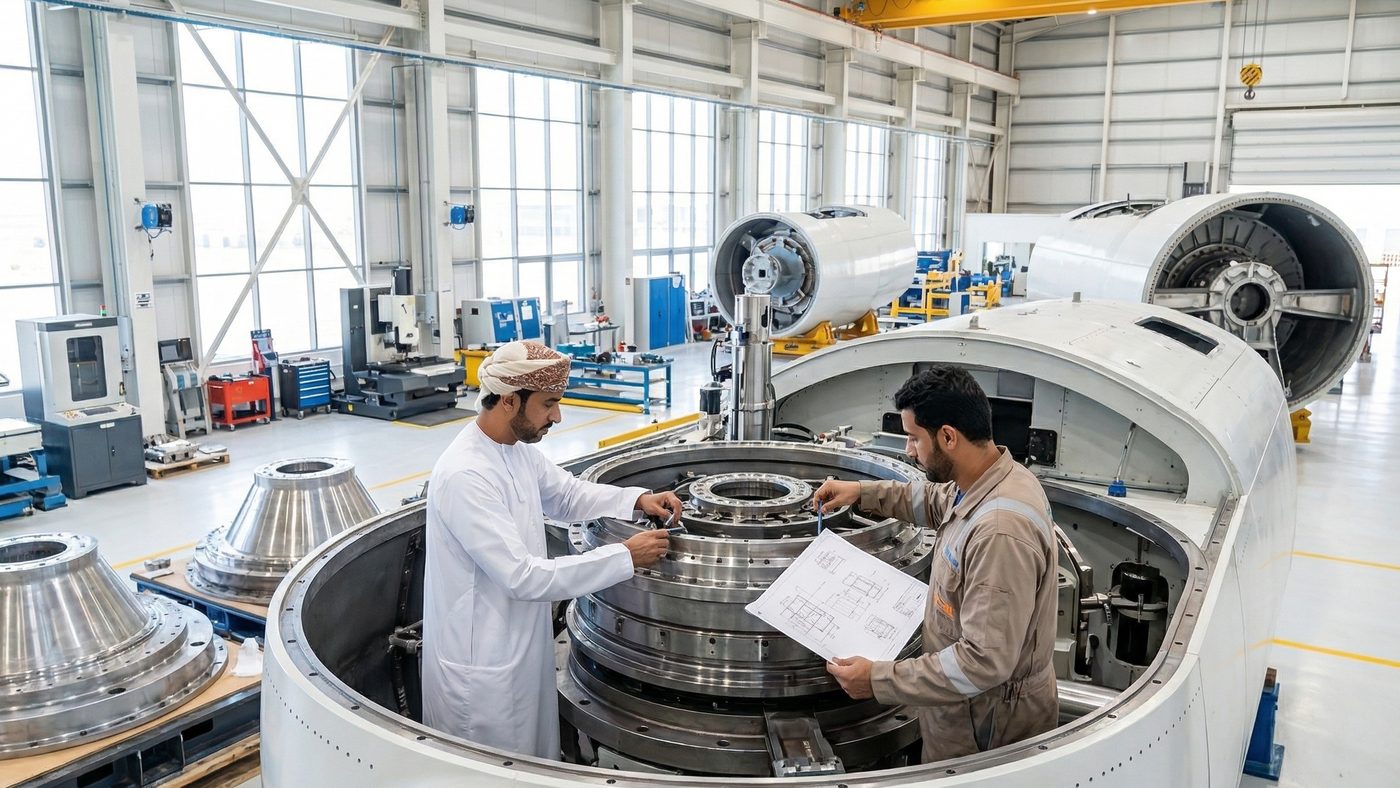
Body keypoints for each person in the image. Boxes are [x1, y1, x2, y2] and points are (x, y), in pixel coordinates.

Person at [421, 340, 679, 759]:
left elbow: (567, 495)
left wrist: (635, 499)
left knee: (533, 763)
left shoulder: (515, 451)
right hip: (480, 672)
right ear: (508, 401)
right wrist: (623, 557)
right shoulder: (466, 474)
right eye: (548, 404)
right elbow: (522, 576)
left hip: (519, 647)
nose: (557, 416)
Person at [814, 365, 1058, 762]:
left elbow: (982, 663)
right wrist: (860, 492)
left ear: (948, 436)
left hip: (986, 727)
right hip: (962, 709)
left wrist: (876, 679)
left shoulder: (1000, 533)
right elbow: (935, 500)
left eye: (914, 439)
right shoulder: (991, 478)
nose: (909, 450)